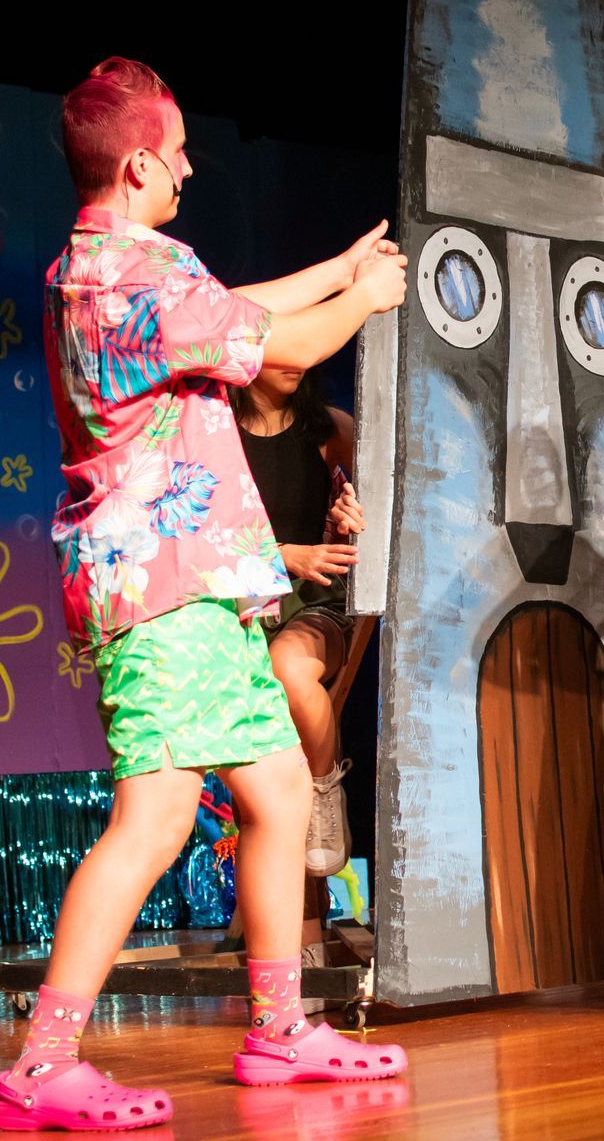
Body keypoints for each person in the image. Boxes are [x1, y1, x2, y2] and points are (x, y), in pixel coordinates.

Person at [0, 57, 408, 1132]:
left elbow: (236, 310)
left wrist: (336, 265)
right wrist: (362, 298)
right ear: (137, 164)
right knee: (158, 814)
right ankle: (44, 1059)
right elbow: (289, 345)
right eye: (173, 152)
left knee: (274, 791)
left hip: (195, 584)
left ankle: (276, 1028)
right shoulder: (138, 276)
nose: (185, 166)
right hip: (163, 589)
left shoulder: (100, 267)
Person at [232, 365, 363, 878]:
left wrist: (357, 512)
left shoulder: (329, 429)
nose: (293, 361)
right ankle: (296, 944)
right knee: (267, 781)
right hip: (240, 610)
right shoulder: (214, 433)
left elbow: (395, 500)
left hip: (316, 604)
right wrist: (286, 554)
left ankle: (325, 784)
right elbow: (205, 537)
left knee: (287, 666)